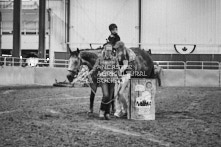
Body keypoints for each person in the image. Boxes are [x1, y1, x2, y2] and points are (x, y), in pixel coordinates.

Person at [88, 43, 120, 120]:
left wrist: (120, 77)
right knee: (105, 95)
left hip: (112, 79)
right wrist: (90, 73)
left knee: (109, 97)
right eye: (107, 50)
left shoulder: (115, 59)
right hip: (103, 79)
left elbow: (117, 69)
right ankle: (102, 111)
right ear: (104, 50)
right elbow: (95, 68)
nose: (109, 52)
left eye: (110, 50)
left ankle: (107, 113)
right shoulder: (100, 59)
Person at [113, 41, 136, 118]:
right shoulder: (117, 54)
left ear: (120, 47)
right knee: (116, 94)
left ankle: (125, 109)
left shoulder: (124, 54)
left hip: (126, 75)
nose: (116, 49)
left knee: (120, 93)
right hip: (119, 76)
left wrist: (120, 71)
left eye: (117, 48)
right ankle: (119, 110)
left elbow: (125, 65)